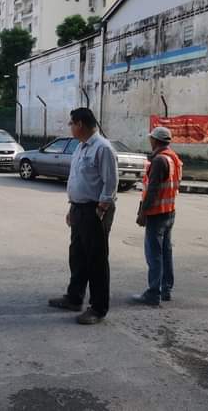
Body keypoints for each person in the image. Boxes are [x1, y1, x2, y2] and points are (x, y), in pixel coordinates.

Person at [48, 108, 118, 325]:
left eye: (71, 123)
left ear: (80, 124)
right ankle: (74, 297)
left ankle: (98, 308)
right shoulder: (80, 148)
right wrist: (72, 208)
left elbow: (111, 182)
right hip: (79, 209)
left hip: (94, 210)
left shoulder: (102, 148)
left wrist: (101, 209)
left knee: (96, 260)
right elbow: (77, 180)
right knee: (77, 255)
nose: (70, 127)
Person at [133, 126, 183, 306]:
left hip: (157, 214)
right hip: (169, 211)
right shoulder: (173, 158)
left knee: (154, 254)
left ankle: (153, 293)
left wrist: (143, 212)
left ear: (155, 140)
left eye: (151, 139)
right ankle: (165, 290)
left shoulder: (160, 160)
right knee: (166, 252)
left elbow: (152, 190)